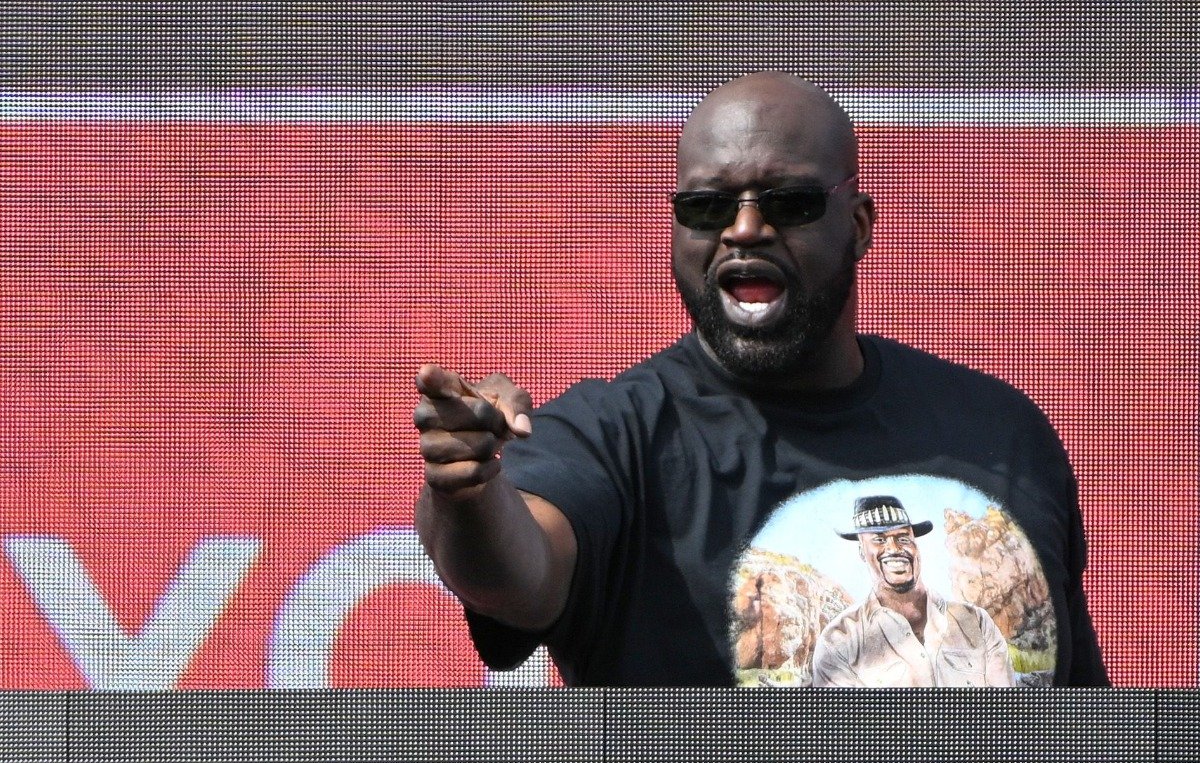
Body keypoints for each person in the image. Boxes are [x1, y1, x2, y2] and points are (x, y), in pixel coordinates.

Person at [412, 72, 1108, 686]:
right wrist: (467, 490)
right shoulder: (613, 438)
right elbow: (515, 576)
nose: (745, 229)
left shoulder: (1000, 433)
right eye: (708, 206)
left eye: (789, 201)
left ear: (858, 226)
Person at [810, 495, 1015, 687]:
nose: (894, 548)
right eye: (879, 539)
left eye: (903, 538)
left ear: (916, 545)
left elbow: (1005, 707)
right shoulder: (838, 641)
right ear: (862, 552)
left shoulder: (976, 623)